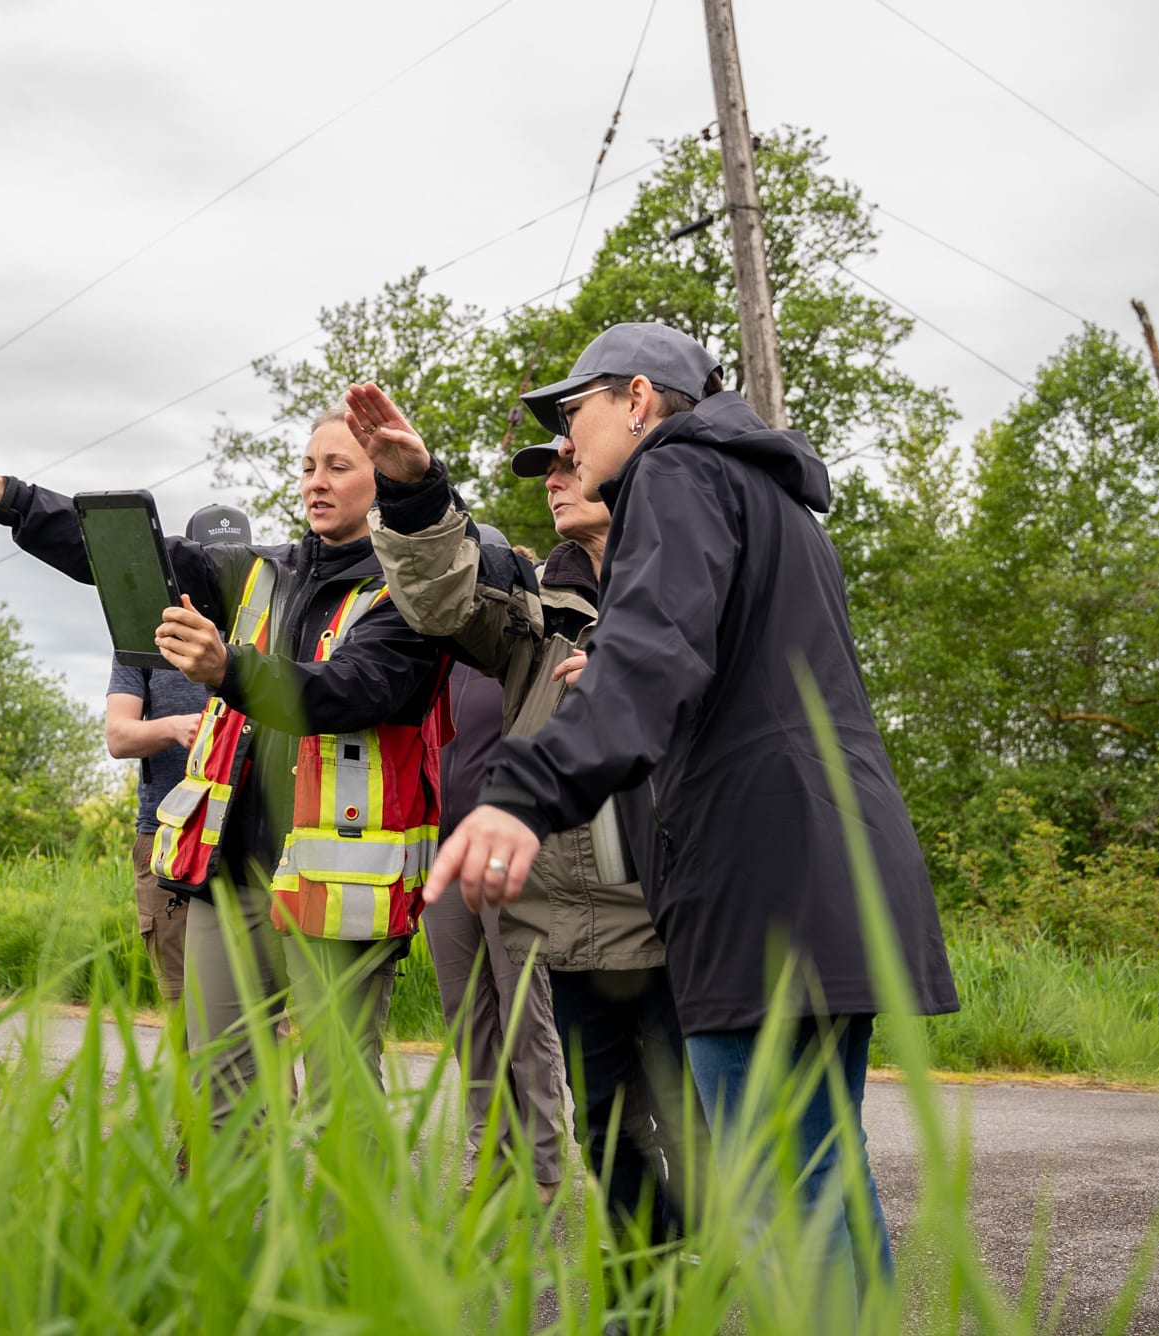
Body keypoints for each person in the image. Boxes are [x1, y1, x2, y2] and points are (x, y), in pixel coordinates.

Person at [426, 322, 960, 1283]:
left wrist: (526, 790)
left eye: (573, 411)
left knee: (770, 1192)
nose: (565, 440)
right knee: (825, 1174)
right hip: (837, 862)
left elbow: (654, 657)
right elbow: (717, 669)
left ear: (637, 400)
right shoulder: (774, 496)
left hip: (761, 876)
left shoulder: (674, 472)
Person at [0, 415, 448, 1133]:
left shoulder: (410, 595)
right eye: (306, 466)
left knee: (339, 1108)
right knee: (221, 1101)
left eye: (337, 466)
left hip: (334, 892)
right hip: (228, 877)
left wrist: (226, 669)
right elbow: (127, 559)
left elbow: (351, 691)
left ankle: (346, 1248)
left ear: (382, 478)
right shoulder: (260, 572)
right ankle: (228, 1242)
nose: (316, 482)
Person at [350, 389, 698, 1240]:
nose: (555, 477)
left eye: (570, 459)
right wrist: (417, 489)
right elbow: (442, 599)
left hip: (683, 908)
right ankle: (637, 1291)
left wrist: (636, 682)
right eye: (544, 466)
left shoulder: (693, 580)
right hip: (577, 922)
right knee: (612, 1136)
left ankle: (714, 1261)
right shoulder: (536, 611)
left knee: (698, 1123)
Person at [422, 524, 567, 1206]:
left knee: (521, 1011)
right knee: (466, 1012)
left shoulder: (525, 648)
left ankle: (543, 1161)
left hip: (510, 853)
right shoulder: (438, 653)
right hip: (442, 854)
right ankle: (491, 1150)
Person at [104, 503, 253, 1007]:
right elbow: (118, 737)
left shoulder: (266, 633)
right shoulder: (146, 636)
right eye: (208, 559)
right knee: (185, 1012)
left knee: (262, 1020)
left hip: (250, 840)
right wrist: (172, 728)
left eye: (231, 559)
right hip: (167, 842)